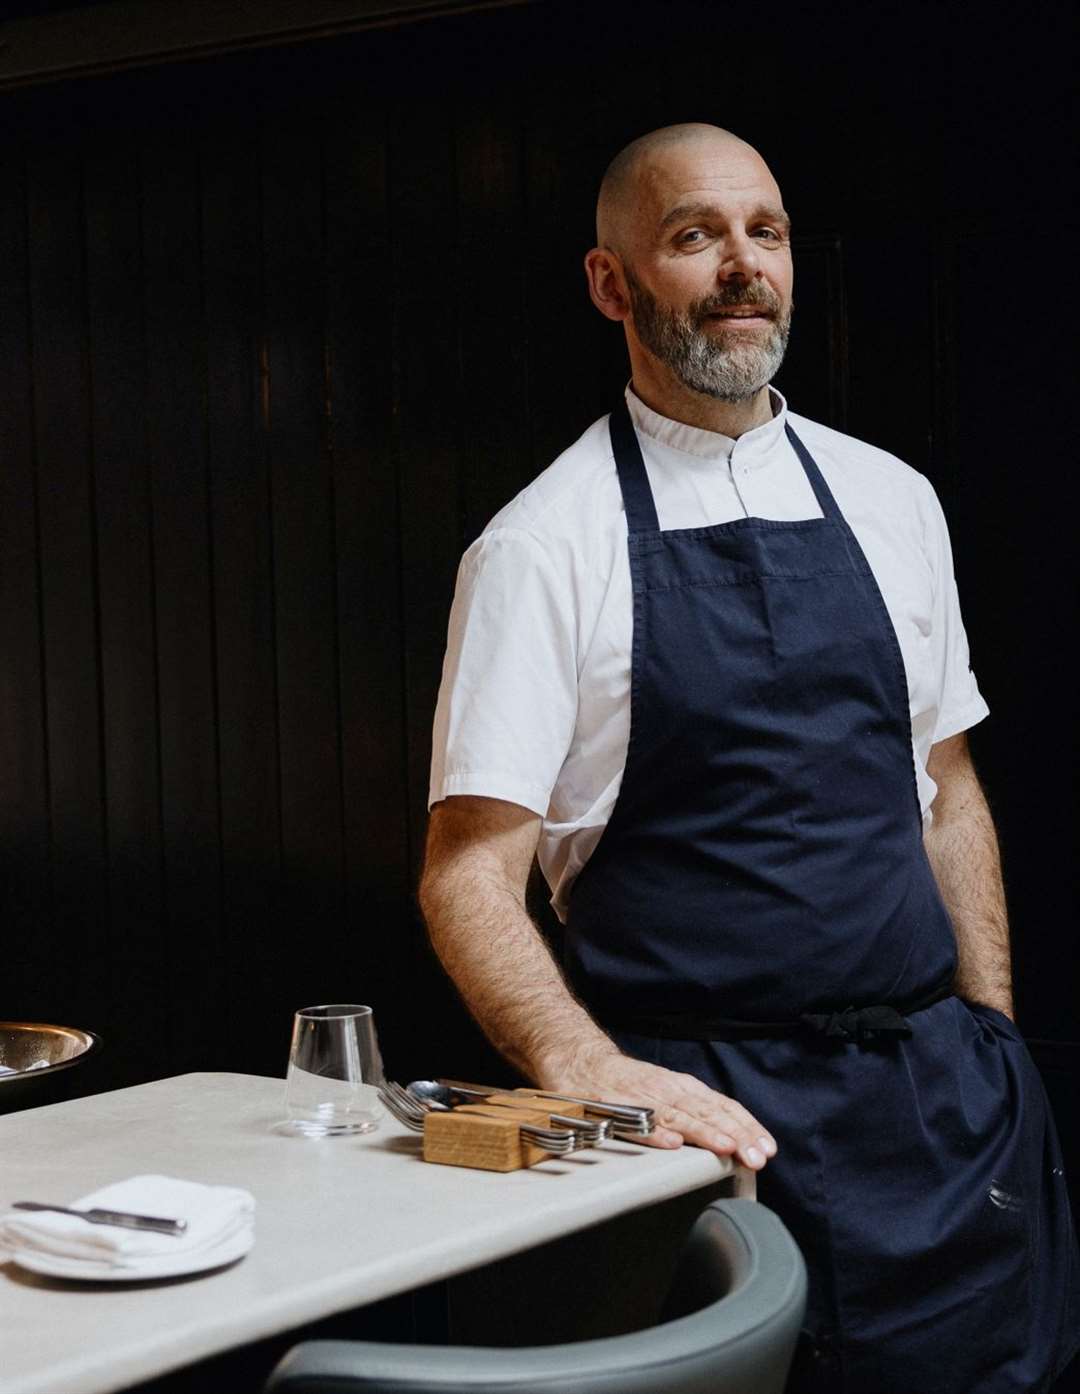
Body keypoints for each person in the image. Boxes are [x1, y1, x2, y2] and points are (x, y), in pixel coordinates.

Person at [420, 123, 1079, 1392]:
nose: (741, 265)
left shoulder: (893, 497)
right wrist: (587, 1066)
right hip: (705, 1131)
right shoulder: (541, 548)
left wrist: (990, 1027)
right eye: (693, 235)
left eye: (763, 232)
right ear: (612, 284)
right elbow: (465, 877)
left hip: (943, 1120)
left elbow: (944, 785)